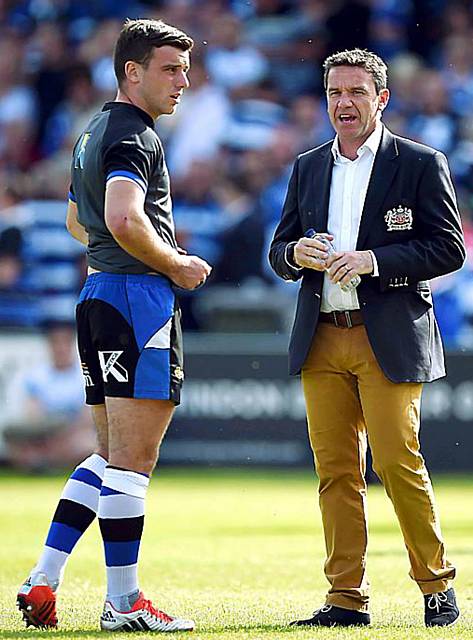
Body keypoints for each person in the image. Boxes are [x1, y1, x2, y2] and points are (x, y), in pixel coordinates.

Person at [17, 18, 211, 633]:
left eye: (184, 69)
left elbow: (82, 222)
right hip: (136, 299)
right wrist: (177, 264)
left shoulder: (92, 130)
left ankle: (43, 580)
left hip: (99, 292)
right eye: (170, 70)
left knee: (106, 457)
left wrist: (121, 249)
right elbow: (124, 220)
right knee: (133, 460)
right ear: (132, 71)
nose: (183, 82)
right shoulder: (133, 135)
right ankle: (123, 604)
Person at [269, 49, 465, 628]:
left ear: (382, 98)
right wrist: (293, 254)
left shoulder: (420, 162)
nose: (343, 103)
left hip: (387, 337)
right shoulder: (307, 166)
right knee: (335, 471)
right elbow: (279, 251)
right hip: (323, 335)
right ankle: (345, 599)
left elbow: (449, 249)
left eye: (356, 92)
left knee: (397, 462)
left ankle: (436, 586)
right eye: (334, 93)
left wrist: (375, 260)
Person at [3, 321, 94, 470]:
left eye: (64, 343)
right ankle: (46, 459)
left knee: (88, 444)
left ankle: (51, 460)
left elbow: (87, 415)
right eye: (55, 344)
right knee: (13, 434)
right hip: (47, 432)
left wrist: (67, 433)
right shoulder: (37, 376)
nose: (60, 349)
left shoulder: (84, 375)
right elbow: (33, 413)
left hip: (74, 432)